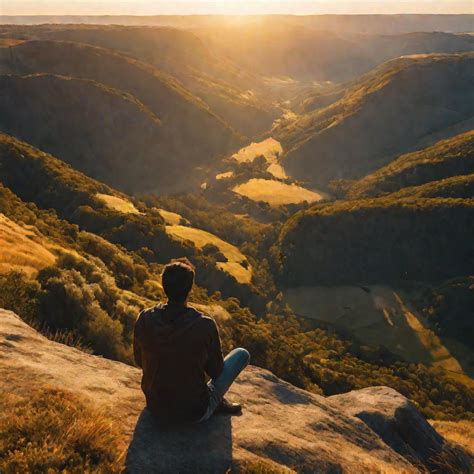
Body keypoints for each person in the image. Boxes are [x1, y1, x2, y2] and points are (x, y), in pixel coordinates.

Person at [133, 258, 250, 424]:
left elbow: (139, 361)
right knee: (241, 354)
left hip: (156, 408)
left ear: (164, 286)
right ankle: (215, 403)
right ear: (190, 290)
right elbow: (216, 371)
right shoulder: (205, 324)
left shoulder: (145, 318)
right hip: (194, 412)